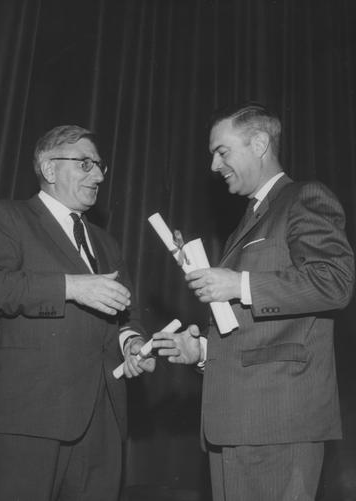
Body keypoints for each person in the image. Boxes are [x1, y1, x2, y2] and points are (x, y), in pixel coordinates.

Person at [152, 103, 355, 501]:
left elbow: (336, 281)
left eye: (222, 151)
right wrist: (203, 352)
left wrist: (238, 283)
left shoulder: (304, 198)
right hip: (237, 423)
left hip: (277, 423)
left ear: (260, 143)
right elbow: (253, 330)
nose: (213, 164)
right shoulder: (250, 218)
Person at [0, 125, 155, 501]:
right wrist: (71, 286)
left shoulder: (106, 242)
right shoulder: (8, 217)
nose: (97, 175)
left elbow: (124, 314)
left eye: (99, 166)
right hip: (24, 421)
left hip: (100, 425)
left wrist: (132, 343)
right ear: (49, 169)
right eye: (85, 164)